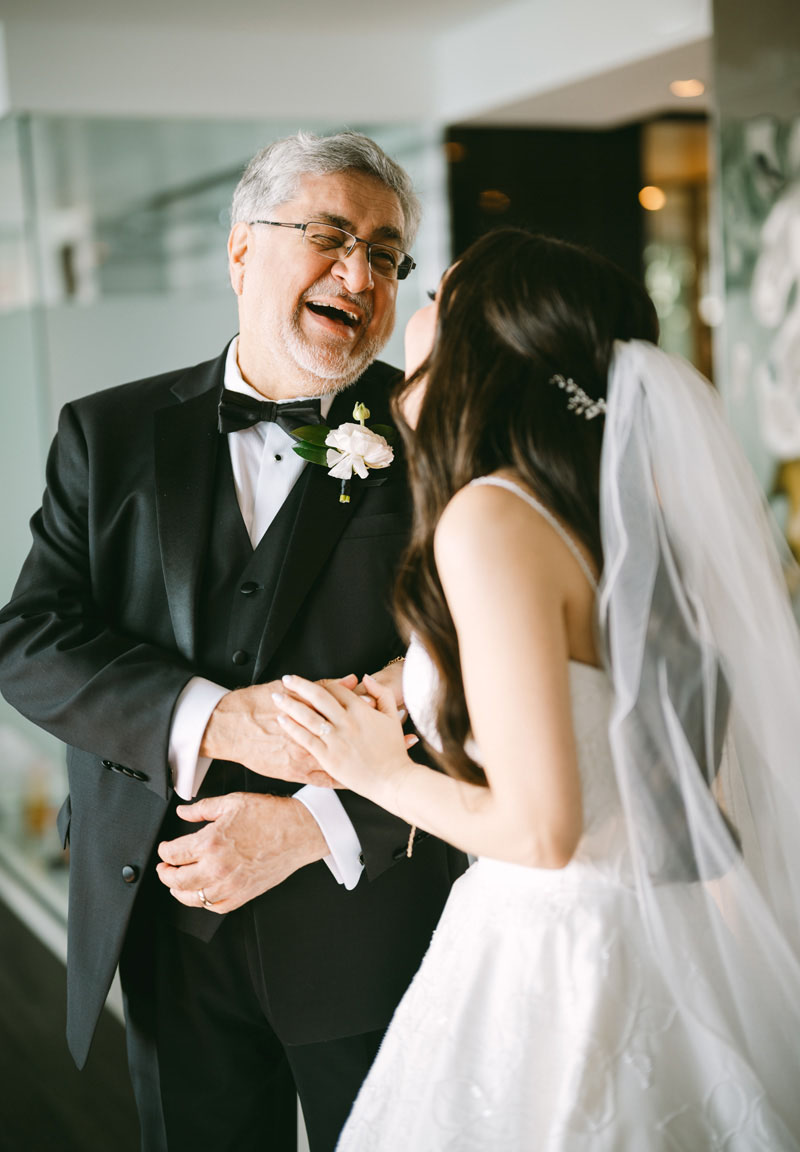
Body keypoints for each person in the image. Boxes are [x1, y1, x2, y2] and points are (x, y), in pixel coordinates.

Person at [275, 229, 800, 1149]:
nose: (416, 309)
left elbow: (541, 832)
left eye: (438, 292)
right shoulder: (612, 520)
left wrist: (373, 768)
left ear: (485, 338)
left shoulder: (492, 516)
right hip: (658, 935)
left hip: (561, 951)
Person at [0, 131, 466, 1152]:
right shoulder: (106, 433)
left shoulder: (437, 430)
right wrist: (215, 719)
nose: (362, 273)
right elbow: (31, 640)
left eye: (387, 254)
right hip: (164, 924)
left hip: (376, 917)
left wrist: (314, 827)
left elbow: (481, 686)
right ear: (241, 251)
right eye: (331, 236)